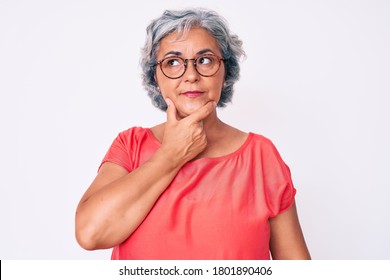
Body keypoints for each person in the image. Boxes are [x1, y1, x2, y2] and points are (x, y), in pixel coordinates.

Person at [75, 8, 311, 260]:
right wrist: (171, 155)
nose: (191, 75)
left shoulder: (261, 156)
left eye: (205, 60)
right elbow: (90, 234)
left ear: (226, 71)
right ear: (155, 77)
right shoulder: (131, 145)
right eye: (173, 62)